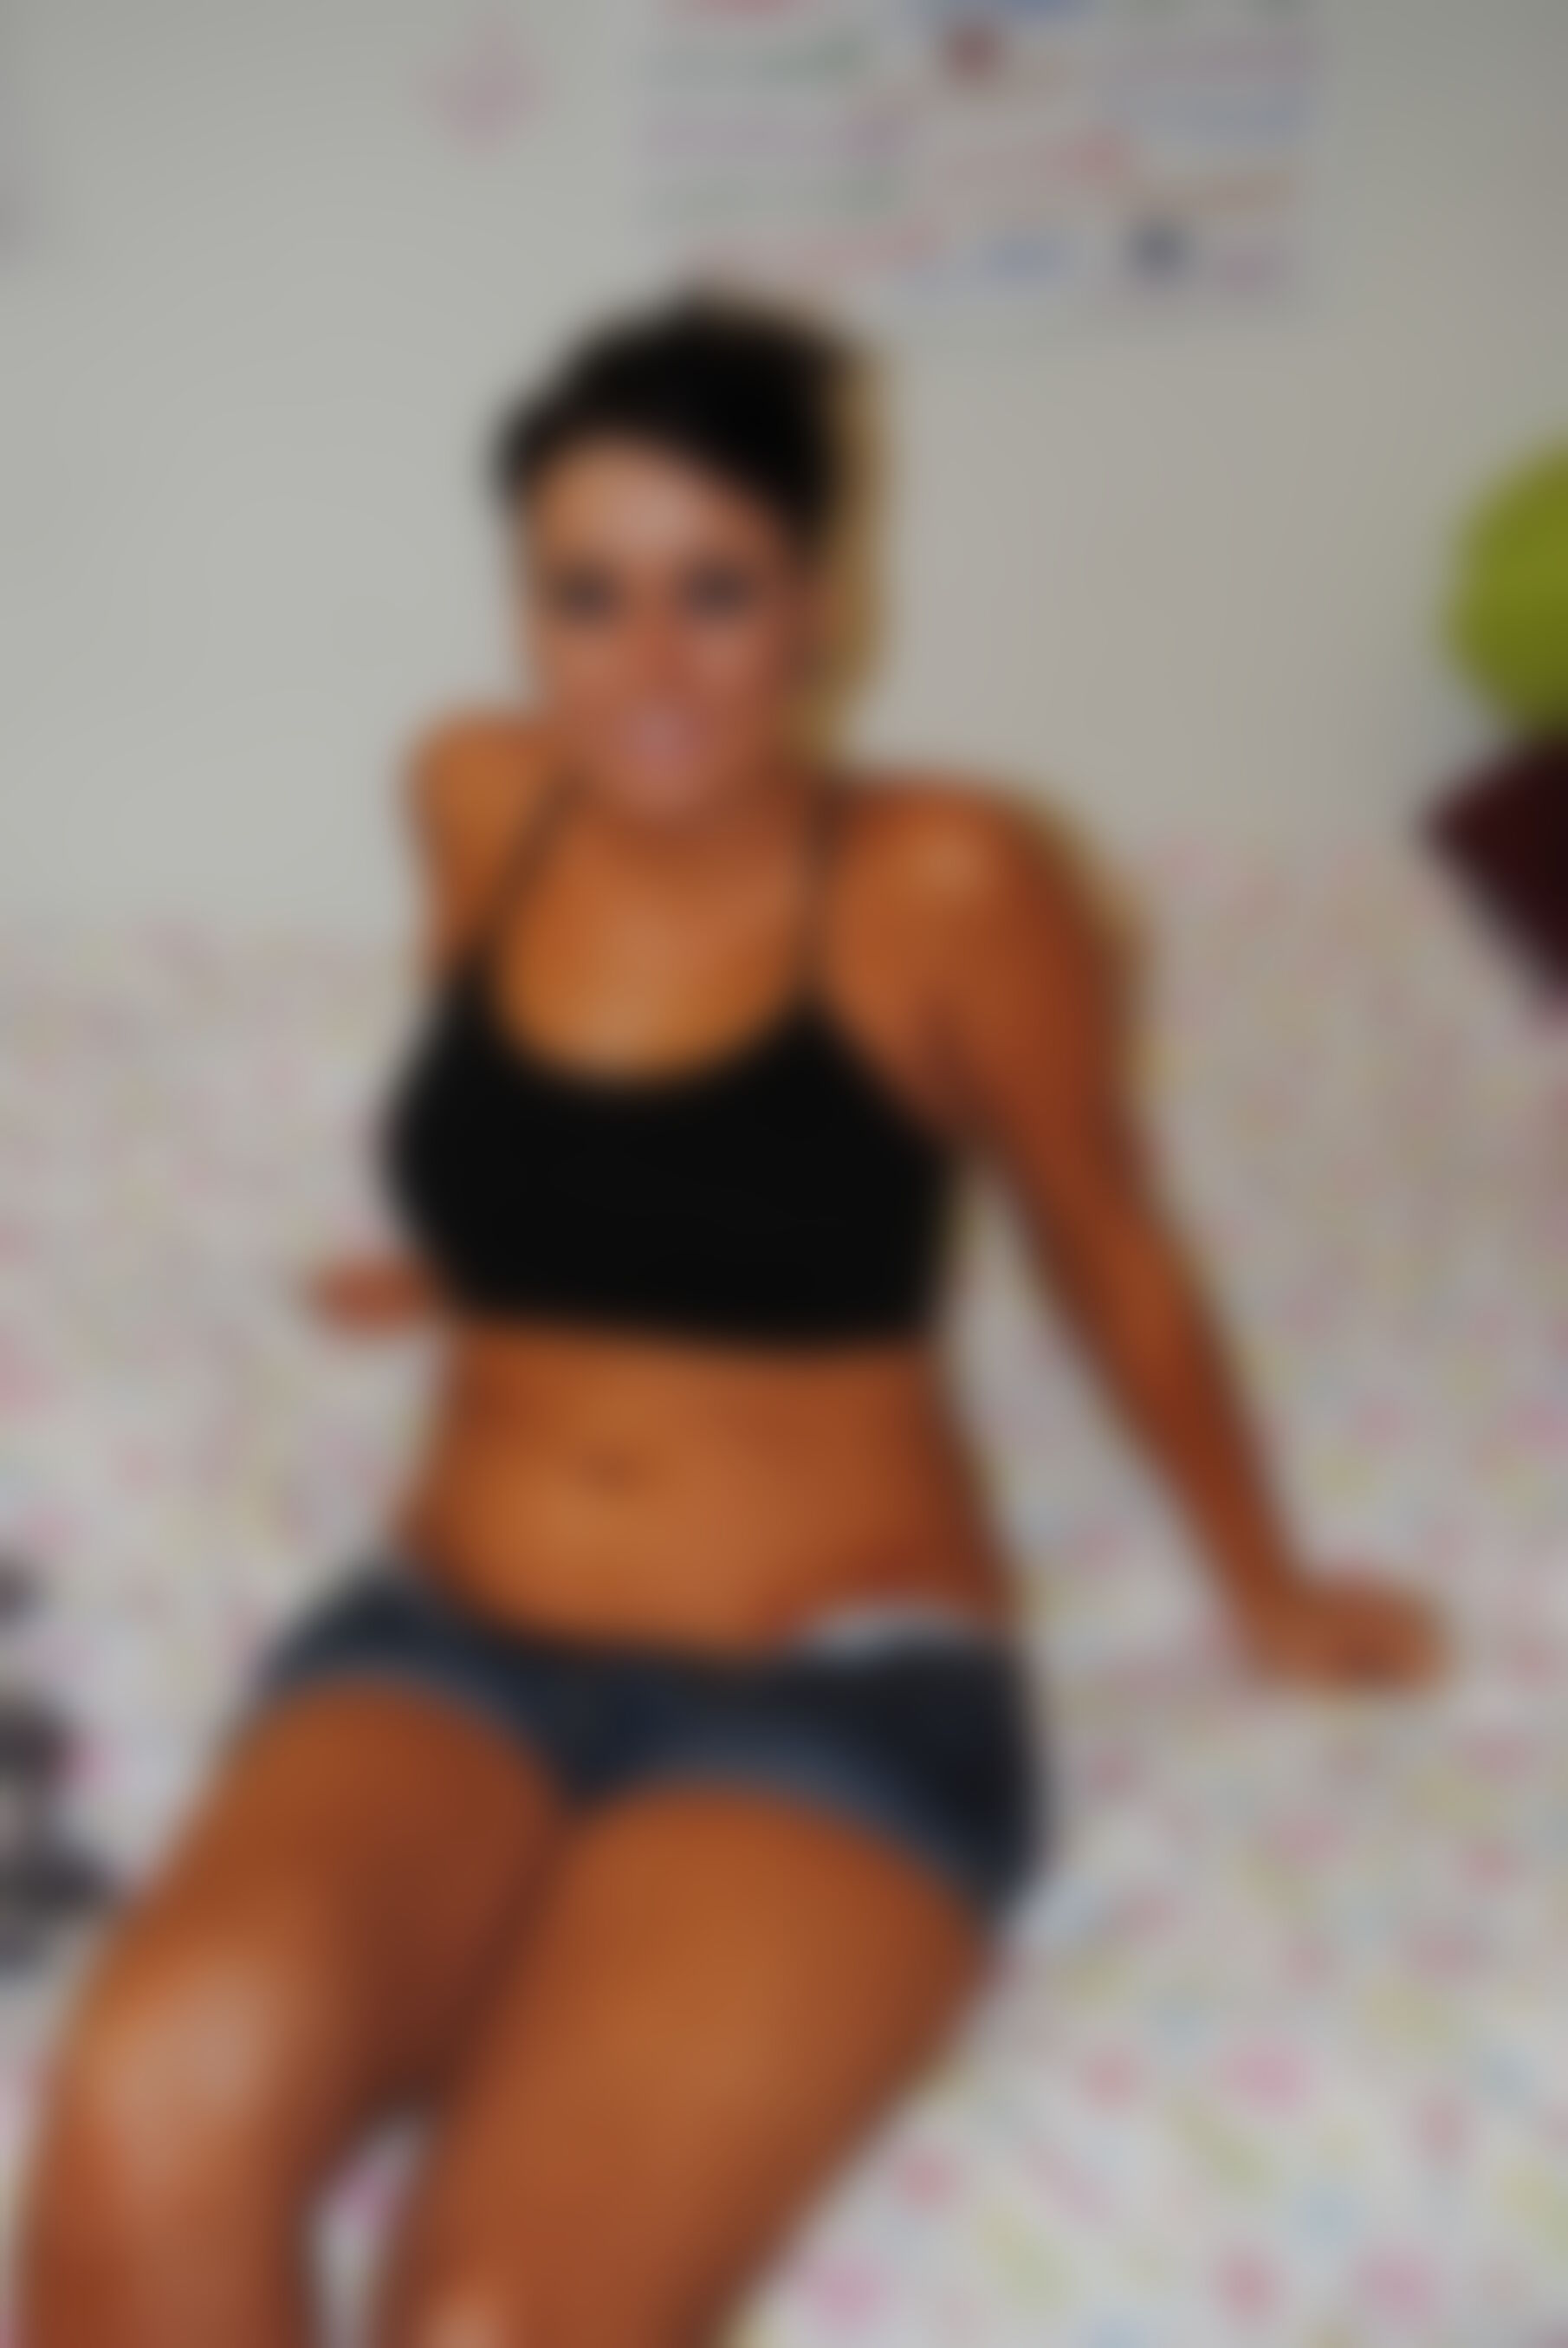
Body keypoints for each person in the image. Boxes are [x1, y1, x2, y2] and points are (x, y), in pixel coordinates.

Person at [17, 290, 1443, 2348]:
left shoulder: (947, 877)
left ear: (821, 608)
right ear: (522, 610)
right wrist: (471, 1252)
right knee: (142, 2107)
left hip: (819, 1695)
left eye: (716, 590)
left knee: (493, 2318)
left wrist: (1264, 1581)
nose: (651, 665)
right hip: (442, 1638)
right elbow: (493, 1076)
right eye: (585, 595)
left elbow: (1100, 1235)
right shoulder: (471, 790)